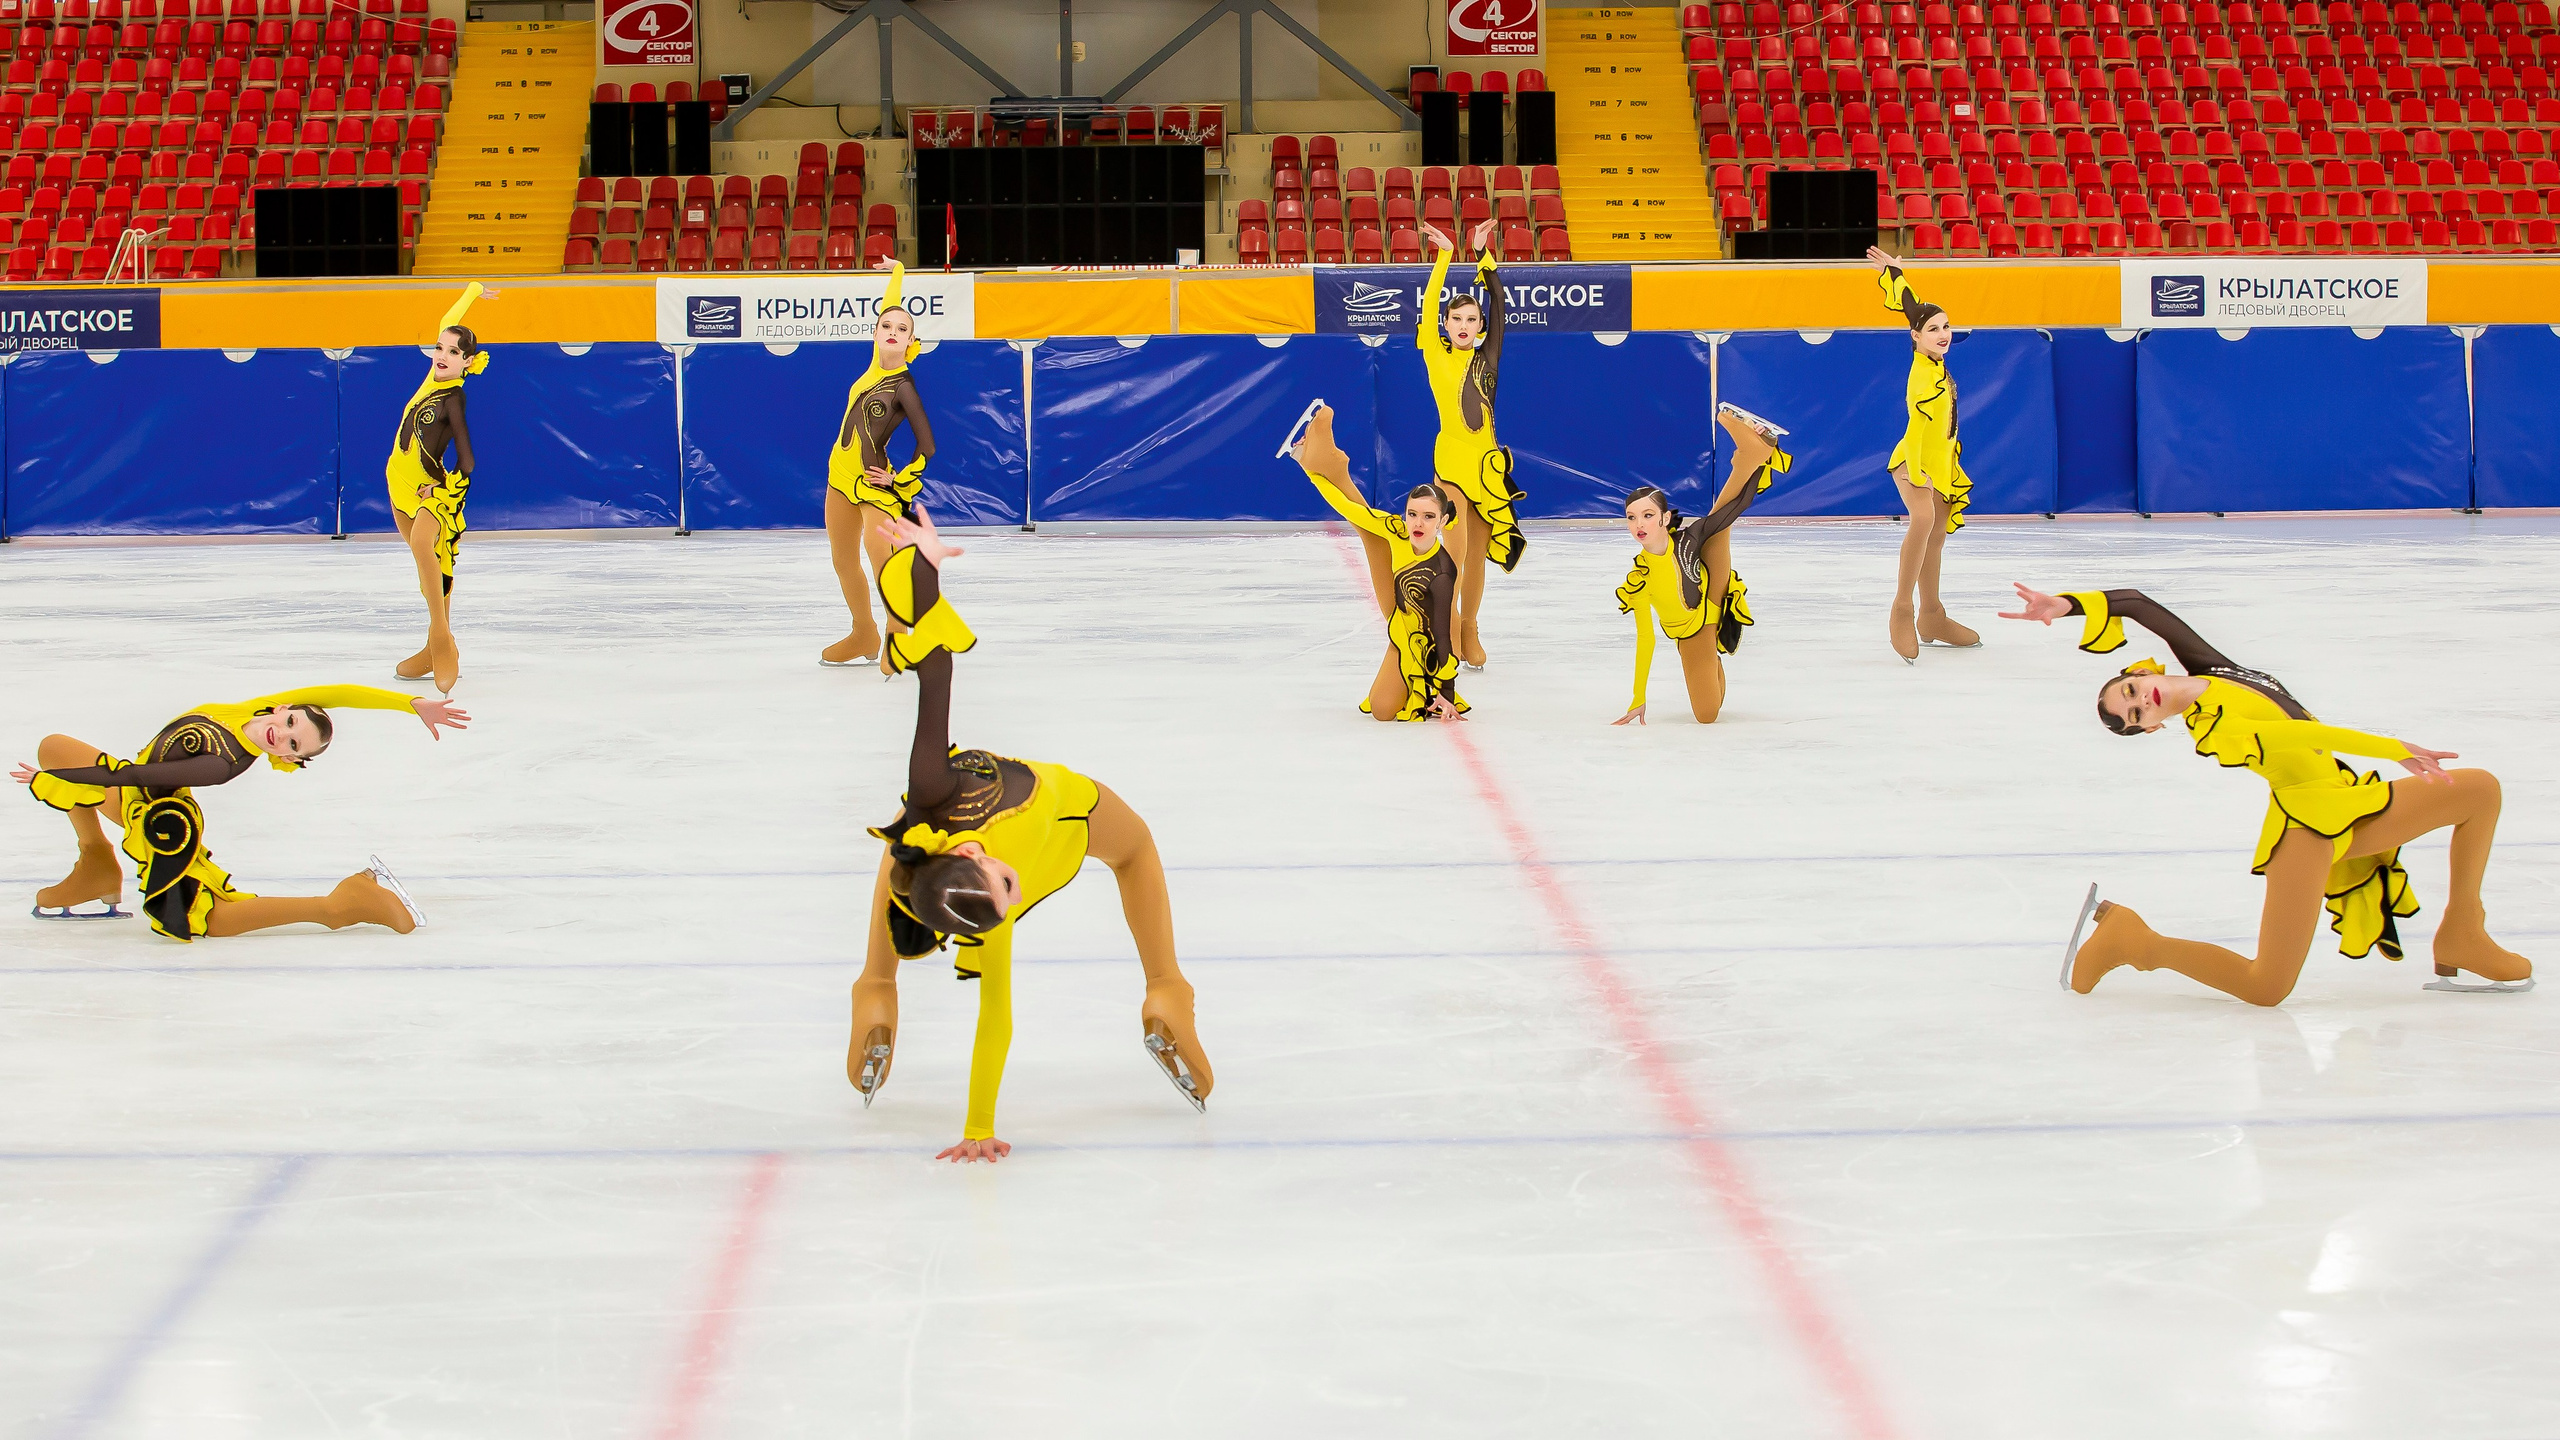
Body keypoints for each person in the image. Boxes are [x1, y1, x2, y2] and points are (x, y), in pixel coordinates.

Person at [850, 508, 1214, 1161]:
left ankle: (875, 987)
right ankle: (1167, 986)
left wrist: (925, 569)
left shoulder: (934, 818)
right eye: (1004, 902)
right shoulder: (969, 865)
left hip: (1001, 840)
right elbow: (936, 672)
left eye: (1004, 889)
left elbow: (934, 672)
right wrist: (978, 1127)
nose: (1011, 903)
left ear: (967, 855)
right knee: (1133, 851)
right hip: (1058, 810)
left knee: (903, 847)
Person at [2003, 583, 2533, 1001]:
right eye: (2137, 714)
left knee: (2479, 792)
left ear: (2133, 675)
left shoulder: (2213, 670)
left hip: (2344, 800)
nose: (2143, 700)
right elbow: (2301, 734)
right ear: (2151, 727)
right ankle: (2134, 940)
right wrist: (2392, 747)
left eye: (2131, 692)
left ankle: (2464, 930)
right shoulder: (2218, 726)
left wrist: (2066, 604)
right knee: (2266, 986)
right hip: (2307, 828)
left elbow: (2138, 604)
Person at [14, 687, 471, 941]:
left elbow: (134, 774)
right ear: (284, 709)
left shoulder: (224, 762)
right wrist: (409, 704)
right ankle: (96, 862)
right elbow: (340, 692)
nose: (283, 737)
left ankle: (338, 906)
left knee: (200, 919)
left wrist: (58, 782)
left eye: (295, 746)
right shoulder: (247, 712)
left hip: (164, 824)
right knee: (55, 747)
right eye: (291, 725)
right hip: (136, 799)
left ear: (292, 759)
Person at [1284, 400, 1468, 722]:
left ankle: (1331, 461)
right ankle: (1327, 461)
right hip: (1398, 616)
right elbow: (1351, 510)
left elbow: (1441, 633)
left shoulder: (1442, 571)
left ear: (1441, 522)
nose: (1418, 524)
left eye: (1428, 517)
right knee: (1369, 531)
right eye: (1413, 514)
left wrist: (1446, 691)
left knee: (1383, 711)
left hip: (1422, 643)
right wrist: (1308, 470)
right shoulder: (1397, 531)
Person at [1614, 404, 1794, 726]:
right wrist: (1638, 696)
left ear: (1665, 518)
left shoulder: (1687, 539)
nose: (1639, 524)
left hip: (1708, 600)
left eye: (1647, 515)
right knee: (1713, 705)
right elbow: (1646, 638)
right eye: (1631, 517)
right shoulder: (1638, 578)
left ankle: (1749, 455)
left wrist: (1751, 471)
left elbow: (1733, 508)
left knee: (1706, 716)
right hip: (1690, 631)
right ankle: (1750, 456)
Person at [1418, 215, 1526, 671]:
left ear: (1480, 326)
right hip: (1452, 470)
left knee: (1478, 560)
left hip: (1488, 469)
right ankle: (1443, 629)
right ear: (1445, 324)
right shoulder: (1433, 351)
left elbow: (1499, 304)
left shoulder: (1489, 356)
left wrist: (1485, 255)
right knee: (1456, 556)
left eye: (1471, 319)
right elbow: (1426, 307)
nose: (1464, 325)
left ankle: (1470, 628)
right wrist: (1444, 256)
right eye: (1456, 318)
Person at [821, 257, 938, 673]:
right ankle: (862, 633)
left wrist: (899, 478)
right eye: (885, 326)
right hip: (839, 478)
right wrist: (899, 270)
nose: (892, 331)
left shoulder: (904, 385)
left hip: (874, 484)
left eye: (901, 329)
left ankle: (895, 633)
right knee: (842, 559)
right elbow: (891, 303)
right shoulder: (874, 364)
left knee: (879, 553)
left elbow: (927, 446)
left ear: (911, 342)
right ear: (875, 334)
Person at [1866, 247, 1978, 664]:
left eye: (1946, 326)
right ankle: (1902, 608)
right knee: (1925, 519)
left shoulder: (1934, 360)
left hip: (1942, 462)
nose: (1943, 334)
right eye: (1933, 329)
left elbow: (1911, 304)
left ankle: (1932, 615)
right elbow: (1916, 428)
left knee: (1937, 536)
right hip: (1913, 461)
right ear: (1916, 336)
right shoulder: (1921, 377)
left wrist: (1895, 272)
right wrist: (1916, 474)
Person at [388, 283, 493, 696]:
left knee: (424, 549)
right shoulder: (429, 380)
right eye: (439, 348)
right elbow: (448, 320)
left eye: (453, 352)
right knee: (431, 567)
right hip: (397, 487)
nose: (442, 356)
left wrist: (444, 493)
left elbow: (466, 461)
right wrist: (474, 290)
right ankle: (435, 647)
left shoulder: (454, 398)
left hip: (430, 491)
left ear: (467, 362)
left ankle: (441, 642)